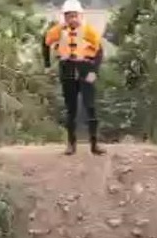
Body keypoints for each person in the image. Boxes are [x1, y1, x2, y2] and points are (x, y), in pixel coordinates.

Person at [42, 0, 106, 156]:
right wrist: (47, 64)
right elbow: (45, 43)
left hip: (85, 68)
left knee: (90, 106)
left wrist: (94, 71)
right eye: (69, 16)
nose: (73, 19)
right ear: (64, 17)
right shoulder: (57, 31)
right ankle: (71, 144)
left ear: (80, 16)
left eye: (75, 16)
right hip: (67, 69)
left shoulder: (88, 31)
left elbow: (99, 51)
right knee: (71, 108)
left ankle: (94, 144)